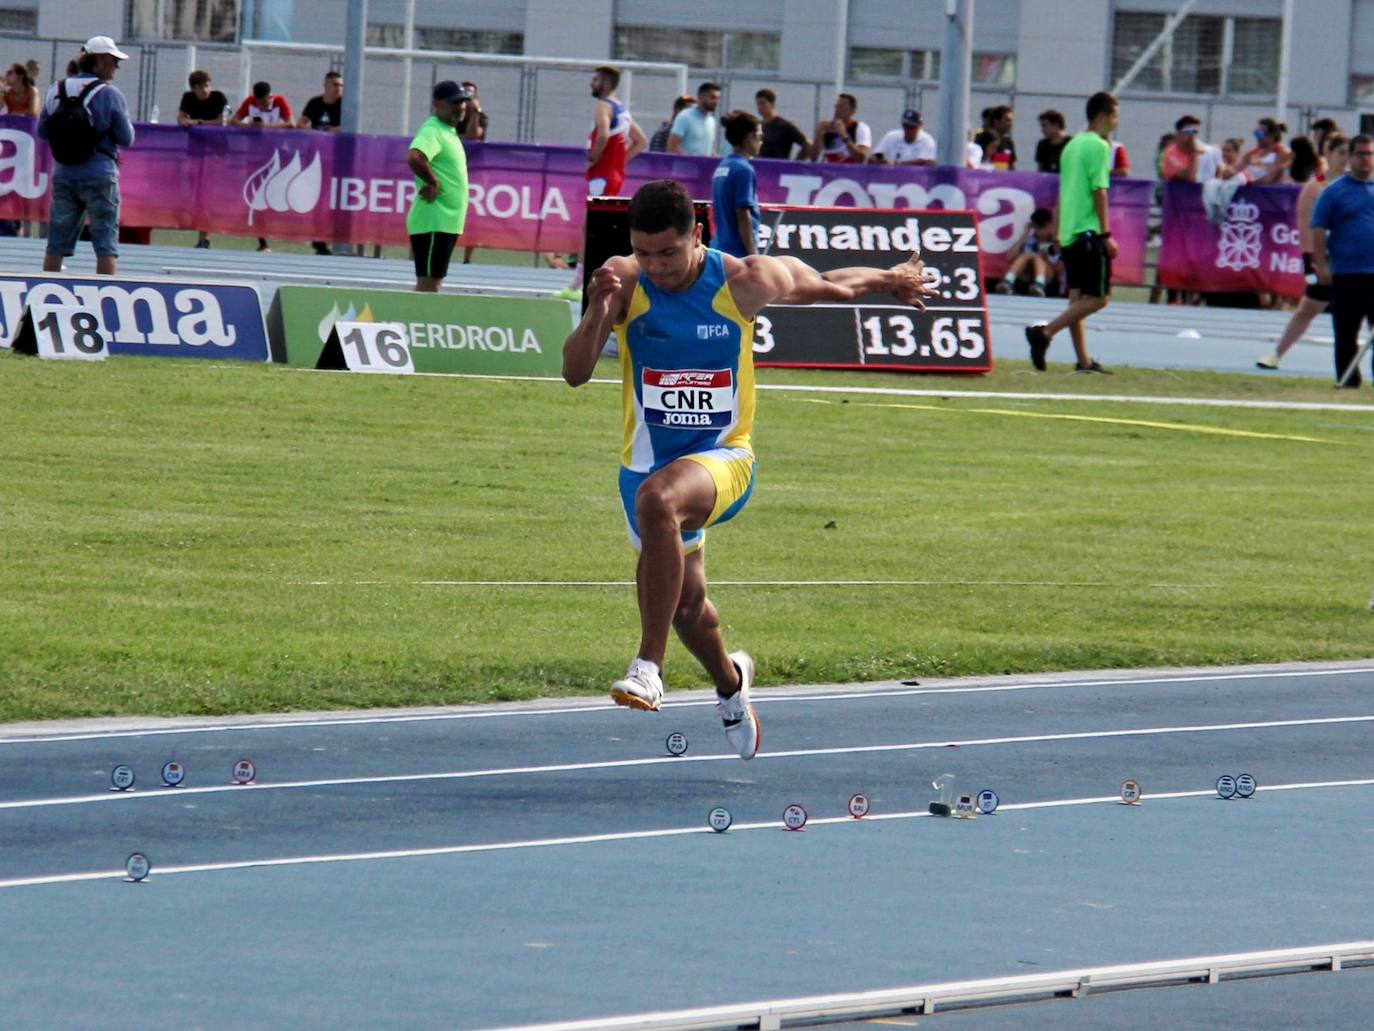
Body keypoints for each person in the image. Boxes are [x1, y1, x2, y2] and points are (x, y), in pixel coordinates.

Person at [560, 179, 938, 754]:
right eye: (645, 252)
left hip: (723, 458)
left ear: (699, 236)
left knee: (660, 501)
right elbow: (575, 372)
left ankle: (647, 667)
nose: (656, 266)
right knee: (687, 606)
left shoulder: (743, 280)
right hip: (642, 465)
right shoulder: (625, 279)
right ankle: (732, 685)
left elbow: (828, 285)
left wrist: (889, 279)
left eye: (669, 252)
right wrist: (596, 308)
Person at [1024, 91, 1120, 374]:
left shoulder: (1072, 145)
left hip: (1069, 232)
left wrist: (1058, 229)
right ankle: (1044, 333)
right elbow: (1099, 191)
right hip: (1088, 232)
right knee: (1099, 298)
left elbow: (1066, 191)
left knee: (1077, 300)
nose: (1115, 122)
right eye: (1114, 116)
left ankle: (1084, 361)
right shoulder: (1099, 147)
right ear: (1102, 116)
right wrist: (1106, 235)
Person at [36, 35, 134, 277]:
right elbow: (126, 138)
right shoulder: (110, 94)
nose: (116, 66)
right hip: (100, 174)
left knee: (56, 243)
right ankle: (107, 299)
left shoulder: (55, 90)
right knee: (105, 245)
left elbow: (42, 131)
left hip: (64, 173)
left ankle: (47, 293)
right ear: (99, 61)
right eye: (113, 60)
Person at [1258, 135, 1348, 370]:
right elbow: (1306, 223)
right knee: (1308, 309)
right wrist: (1309, 260)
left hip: (1357, 258)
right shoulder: (1316, 186)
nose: (1347, 160)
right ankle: (1277, 354)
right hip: (1328, 258)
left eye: (1353, 154)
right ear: (1329, 154)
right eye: (1342, 153)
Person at [1311, 134, 1374, 386]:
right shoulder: (1335, 191)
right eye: (1360, 154)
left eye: (1369, 154)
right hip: (1348, 272)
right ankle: (1348, 380)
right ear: (1350, 157)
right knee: (1346, 331)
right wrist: (1321, 264)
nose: (1365, 159)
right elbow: (1318, 228)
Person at [406, 81, 470, 293]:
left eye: (462, 102)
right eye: (454, 102)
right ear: (437, 103)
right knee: (429, 283)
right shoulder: (433, 130)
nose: (460, 106)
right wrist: (433, 181)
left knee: (432, 282)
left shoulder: (448, 131)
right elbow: (415, 156)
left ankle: (418, 322)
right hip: (434, 221)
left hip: (445, 222)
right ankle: (416, 322)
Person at [232, 81, 293, 253]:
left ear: (270, 97)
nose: (262, 106)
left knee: (277, 194)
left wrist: (267, 128)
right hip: (255, 155)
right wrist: (250, 126)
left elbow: (291, 124)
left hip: (277, 154)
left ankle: (286, 230)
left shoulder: (280, 102)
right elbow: (233, 121)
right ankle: (263, 241)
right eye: (259, 103)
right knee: (256, 194)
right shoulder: (250, 102)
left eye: (265, 102)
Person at [176, 70, 229, 249]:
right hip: (195, 151)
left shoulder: (219, 98)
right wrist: (196, 123)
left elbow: (222, 121)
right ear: (193, 89)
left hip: (216, 150)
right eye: (200, 87)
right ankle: (200, 231)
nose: (205, 90)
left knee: (208, 191)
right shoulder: (188, 98)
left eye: (207, 85)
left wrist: (198, 123)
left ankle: (206, 236)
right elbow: (181, 120)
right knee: (196, 192)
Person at [298, 71, 344, 256]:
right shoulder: (315, 103)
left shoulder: (344, 105)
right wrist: (312, 131)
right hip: (316, 159)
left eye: (341, 86)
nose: (338, 89)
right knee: (318, 199)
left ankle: (335, 238)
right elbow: (301, 123)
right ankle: (319, 240)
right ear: (325, 85)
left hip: (339, 159)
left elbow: (348, 126)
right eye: (335, 85)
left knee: (335, 200)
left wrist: (327, 131)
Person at [586, 65, 646, 197]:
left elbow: (603, 135)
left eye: (596, 80)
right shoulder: (622, 110)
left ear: (606, 84)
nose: (592, 83)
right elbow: (641, 142)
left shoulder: (604, 106)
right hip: (615, 175)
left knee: (594, 216)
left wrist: (592, 159)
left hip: (601, 174)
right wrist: (619, 162)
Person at [711, 111, 761, 258]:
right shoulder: (744, 170)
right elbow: (743, 213)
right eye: (759, 136)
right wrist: (753, 255)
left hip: (719, 248)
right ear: (748, 138)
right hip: (737, 254)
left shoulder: (723, 167)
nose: (761, 142)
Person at [994, 208, 1059, 296]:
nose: (1040, 231)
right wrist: (1024, 235)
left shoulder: (1056, 243)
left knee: (1038, 258)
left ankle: (1039, 285)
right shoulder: (1029, 240)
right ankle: (1008, 282)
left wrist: (1046, 258)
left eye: (1043, 226)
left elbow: (1059, 272)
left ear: (1050, 225)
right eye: (1037, 227)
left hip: (1048, 277)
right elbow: (1009, 257)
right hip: (1027, 276)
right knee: (1025, 256)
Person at [1161, 115, 1226, 182]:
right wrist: (1194, 152)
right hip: (1179, 191)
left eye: (1195, 132)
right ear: (1178, 134)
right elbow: (1191, 177)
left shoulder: (1206, 150)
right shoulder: (1171, 155)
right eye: (1188, 132)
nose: (1192, 136)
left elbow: (1220, 170)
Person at [811, 93, 870, 163]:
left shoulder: (859, 127)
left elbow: (861, 158)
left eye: (842, 106)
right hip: (829, 171)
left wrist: (844, 135)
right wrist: (819, 135)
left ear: (852, 110)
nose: (838, 110)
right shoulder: (827, 128)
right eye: (837, 106)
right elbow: (813, 158)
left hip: (850, 171)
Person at [667, 81, 720, 156]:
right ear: (701, 97)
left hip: (704, 167)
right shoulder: (685, 117)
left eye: (718, 98)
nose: (716, 102)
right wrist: (693, 162)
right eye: (713, 97)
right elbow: (672, 147)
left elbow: (707, 150)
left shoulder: (711, 121)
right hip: (685, 167)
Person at [754, 88, 808, 160]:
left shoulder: (785, 126)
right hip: (760, 167)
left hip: (778, 168)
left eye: (763, 103)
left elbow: (807, 144)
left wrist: (795, 164)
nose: (760, 107)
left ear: (772, 104)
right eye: (758, 103)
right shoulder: (757, 126)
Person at [869, 109, 935, 166]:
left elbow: (925, 162)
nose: (908, 130)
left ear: (920, 126)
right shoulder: (891, 136)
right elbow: (877, 155)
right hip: (893, 178)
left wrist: (895, 164)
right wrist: (877, 160)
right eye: (906, 125)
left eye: (912, 127)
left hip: (917, 179)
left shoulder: (927, 140)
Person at [1240, 118, 1291, 185]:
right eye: (1256, 133)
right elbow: (1237, 170)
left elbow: (1268, 179)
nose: (1257, 137)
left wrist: (1247, 182)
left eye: (1260, 134)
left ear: (1273, 135)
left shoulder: (1283, 153)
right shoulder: (1251, 154)